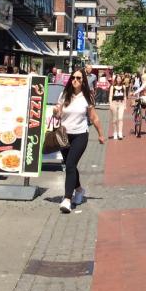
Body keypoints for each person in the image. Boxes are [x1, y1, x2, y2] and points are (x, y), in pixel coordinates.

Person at [52, 69, 105, 213]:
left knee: (70, 164)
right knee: (70, 166)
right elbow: (58, 115)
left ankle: (67, 199)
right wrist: (56, 112)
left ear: (83, 81)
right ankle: (80, 190)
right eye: (73, 78)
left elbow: (94, 118)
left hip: (80, 135)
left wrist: (101, 134)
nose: (75, 80)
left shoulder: (87, 97)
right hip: (64, 135)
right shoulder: (64, 94)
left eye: (79, 78)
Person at [109, 74, 127, 140]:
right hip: (114, 103)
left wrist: (125, 104)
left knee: (120, 118)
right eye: (117, 78)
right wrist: (110, 104)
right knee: (114, 120)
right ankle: (115, 132)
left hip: (121, 103)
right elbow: (110, 96)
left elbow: (125, 96)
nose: (119, 80)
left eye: (120, 78)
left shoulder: (123, 87)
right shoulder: (112, 87)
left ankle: (120, 133)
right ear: (116, 79)